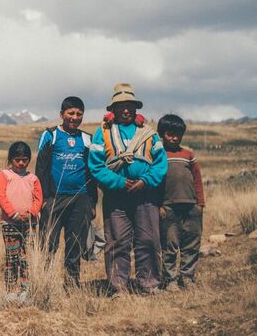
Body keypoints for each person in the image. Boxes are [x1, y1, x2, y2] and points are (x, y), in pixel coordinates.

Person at [88, 83, 168, 296]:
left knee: (148, 238)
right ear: (112, 109)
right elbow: (96, 165)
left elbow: (160, 164)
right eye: (121, 106)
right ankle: (118, 286)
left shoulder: (149, 134)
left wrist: (146, 180)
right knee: (117, 241)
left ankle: (149, 283)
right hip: (116, 196)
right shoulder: (102, 133)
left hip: (146, 193)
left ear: (135, 108)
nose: (126, 110)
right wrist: (119, 182)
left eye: (130, 106)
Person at [35, 96, 98, 287]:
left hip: (81, 199)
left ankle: (72, 284)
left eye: (79, 114)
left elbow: (92, 172)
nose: (75, 117)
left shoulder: (87, 139)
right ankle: (43, 283)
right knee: (49, 243)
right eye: (71, 113)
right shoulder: (50, 135)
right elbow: (41, 168)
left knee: (75, 244)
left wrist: (92, 202)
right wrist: (43, 199)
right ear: (62, 114)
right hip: (54, 199)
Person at [156, 114, 205, 291]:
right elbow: (154, 183)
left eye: (178, 134)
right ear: (162, 134)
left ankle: (188, 277)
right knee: (169, 245)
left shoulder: (188, 155)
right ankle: (170, 280)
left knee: (191, 243)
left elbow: (197, 179)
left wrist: (200, 204)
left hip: (191, 206)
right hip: (168, 207)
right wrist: (158, 206)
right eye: (170, 134)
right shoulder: (158, 155)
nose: (174, 138)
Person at [0, 141, 43, 302]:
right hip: (10, 223)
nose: (21, 163)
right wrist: (14, 214)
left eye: (25, 159)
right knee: (12, 256)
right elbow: (0, 196)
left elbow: (38, 199)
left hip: (30, 223)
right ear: (11, 160)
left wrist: (31, 214)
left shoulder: (33, 178)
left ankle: (26, 289)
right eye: (17, 160)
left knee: (26, 257)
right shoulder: (4, 175)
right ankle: (11, 290)